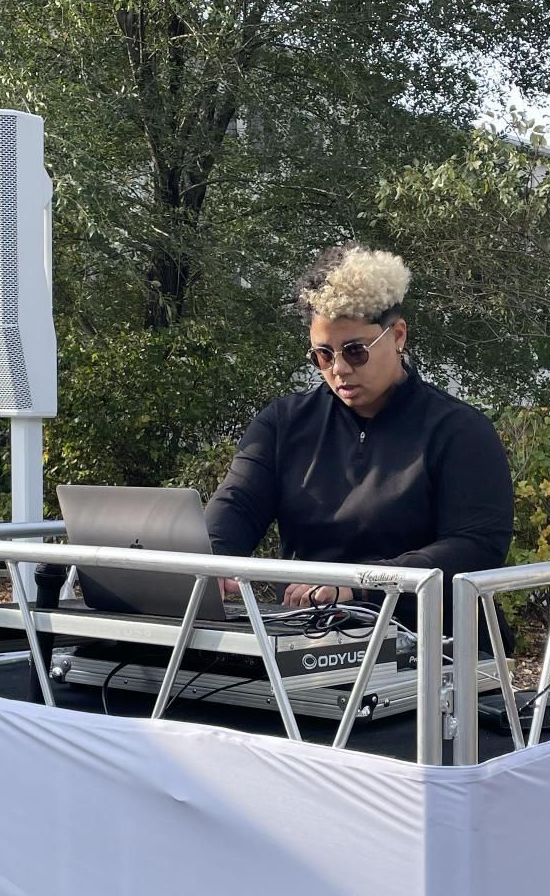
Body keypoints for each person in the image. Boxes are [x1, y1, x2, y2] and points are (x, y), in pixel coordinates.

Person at [204, 245, 513, 619]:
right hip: (307, 634)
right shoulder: (283, 423)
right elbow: (238, 504)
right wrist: (213, 556)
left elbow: (476, 546)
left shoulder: (459, 430)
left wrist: (358, 585)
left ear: (397, 336)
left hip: (430, 640)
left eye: (355, 351)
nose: (338, 369)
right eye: (323, 355)